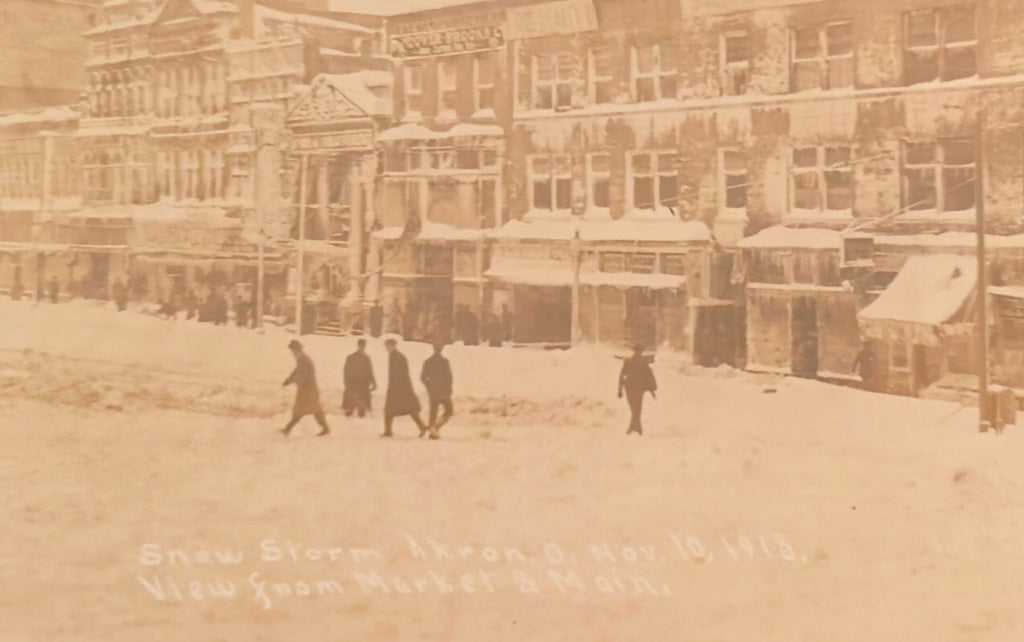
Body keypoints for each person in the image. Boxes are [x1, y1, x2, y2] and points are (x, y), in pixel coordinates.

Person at [381, 338, 429, 438]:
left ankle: (388, 431)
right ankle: (421, 427)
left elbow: (397, 374)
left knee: (390, 410)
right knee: (410, 410)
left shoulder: (396, 357)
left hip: (399, 389)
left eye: (388, 346)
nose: (387, 348)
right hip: (403, 388)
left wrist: (393, 388)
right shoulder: (396, 356)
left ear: (393, 346)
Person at [281, 340, 330, 437]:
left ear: (297, 350)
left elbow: (302, 375)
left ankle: (288, 429)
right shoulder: (302, 359)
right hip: (307, 390)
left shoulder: (304, 360)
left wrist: (292, 380)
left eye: (293, 351)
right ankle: (325, 428)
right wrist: (289, 380)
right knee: (313, 410)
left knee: (302, 410)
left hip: (308, 390)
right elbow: (297, 372)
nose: (292, 354)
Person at [618, 344, 657, 436]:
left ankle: (634, 428)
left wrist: (620, 389)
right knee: (637, 408)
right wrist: (652, 389)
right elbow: (649, 376)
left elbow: (622, 376)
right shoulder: (643, 363)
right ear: (640, 352)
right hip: (639, 388)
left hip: (629, 387)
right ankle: (636, 427)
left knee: (634, 407)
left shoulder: (628, 362)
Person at [421, 343, 453, 439]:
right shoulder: (445, 362)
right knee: (449, 410)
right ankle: (436, 427)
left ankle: (432, 430)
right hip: (444, 391)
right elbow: (449, 377)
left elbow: (423, 377)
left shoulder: (428, 362)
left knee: (433, 412)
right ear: (442, 349)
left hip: (433, 392)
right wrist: (449, 389)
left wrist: (429, 387)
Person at [342, 338, 376, 418]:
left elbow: (369, 371)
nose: (362, 347)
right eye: (362, 345)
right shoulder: (354, 357)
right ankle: (353, 411)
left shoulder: (354, 357)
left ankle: (356, 411)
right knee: (356, 399)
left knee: (356, 399)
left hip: (359, 383)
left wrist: (373, 382)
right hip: (358, 383)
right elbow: (346, 371)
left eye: (363, 346)